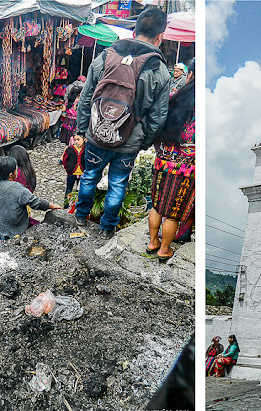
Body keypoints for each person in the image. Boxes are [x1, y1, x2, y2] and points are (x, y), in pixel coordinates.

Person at [75, 7, 171, 239]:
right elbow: (158, 117)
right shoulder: (159, 70)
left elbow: (86, 97)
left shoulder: (105, 56)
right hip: (128, 141)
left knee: (89, 176)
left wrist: (82, 128)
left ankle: (79, 217)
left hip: (96, 134)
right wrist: (142, 141)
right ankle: (107, 228)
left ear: (134, 30)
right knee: (118, 184)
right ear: (160, 36)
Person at [147, 59, 194, 262]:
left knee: (157, 205)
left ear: (189, 75)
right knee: (173, 212)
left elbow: (156, 126)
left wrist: (161, 151)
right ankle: (164, 249)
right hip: (185, 169)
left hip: (162, 161)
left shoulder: (173, 99)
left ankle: (152, 241)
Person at [0, 156, 61, 249]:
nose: (18, 171)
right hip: (4, 234)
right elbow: (35, 202)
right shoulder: (17, 189)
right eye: (16, 169)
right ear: (11, 174)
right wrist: (51, 205)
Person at [60, 132, 86, 208]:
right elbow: (65, 160)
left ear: (84, 139)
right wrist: (68, 169)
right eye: (75, 140)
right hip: (72, 173)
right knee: (69, 189)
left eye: (78, 139)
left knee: (80, 190)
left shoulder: (86, 149)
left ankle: (77, 205)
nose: (77, 142)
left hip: (82, 173)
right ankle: (66, 204)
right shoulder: (70, 149)